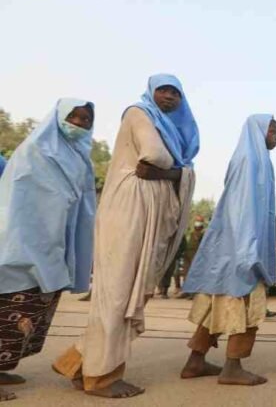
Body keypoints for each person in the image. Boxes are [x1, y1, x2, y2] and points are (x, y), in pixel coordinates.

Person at [53, 74, 199, 399]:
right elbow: (154, 157)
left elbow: (162, 166)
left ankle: (76, 362)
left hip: (146, 213)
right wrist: (179, 170)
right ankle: (101, 377)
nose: (169, 97)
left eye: (175, 92)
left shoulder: (171, 129)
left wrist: (175, 172)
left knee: (128, 293)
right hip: (129, 211)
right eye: (163, 90)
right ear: (151, 92)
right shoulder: (138, 112)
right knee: (119, 294)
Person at [0, 99, 96, 402]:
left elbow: (81, 206)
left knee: (32, 311)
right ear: (57, 118)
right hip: (23, 243)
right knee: (8, 309)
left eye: (85, 119)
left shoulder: (81, 157)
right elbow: (20, 200)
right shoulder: (34, 150)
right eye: (74, 117)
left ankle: (2, 366)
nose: (79, 123)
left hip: (54, 243)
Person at [180, 115, 276, 387]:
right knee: (247, 307)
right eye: (272, 130)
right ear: (259, 132)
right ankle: (233, 367)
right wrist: (249, 250)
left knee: (218, 304)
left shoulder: (255, 159)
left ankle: (195, 361)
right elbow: (243, 208)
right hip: (243, 249)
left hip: (232, 248)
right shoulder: (251, 162)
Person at [179, 218, 207, 299]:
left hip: (196, 256)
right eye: (196, 221)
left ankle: (193, 293)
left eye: (199, 222)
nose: (197, 224)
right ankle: (187, 291)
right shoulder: (191, 233)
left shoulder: (203, 234)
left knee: (194, 274)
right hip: (188, 255)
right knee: (186, 273)